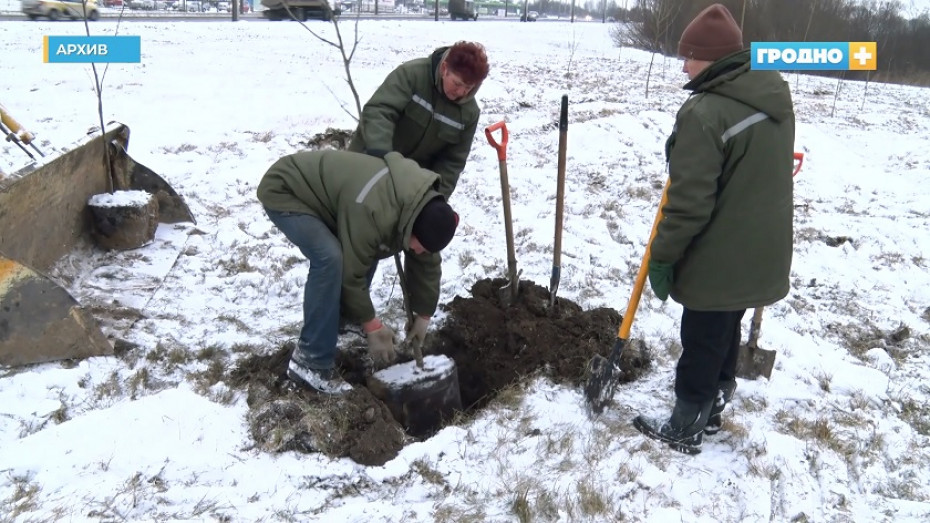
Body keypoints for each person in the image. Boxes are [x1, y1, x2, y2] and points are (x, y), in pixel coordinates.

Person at [632, 3, 795, 454]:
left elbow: (688, 203)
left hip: (721, 248)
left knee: (702, 333)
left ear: (713, 58)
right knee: (727, 324)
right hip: (761, 247)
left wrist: (663, 256)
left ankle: (686, 424)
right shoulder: (772, 95)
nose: (683, 65)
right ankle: (715, 406)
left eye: (689, 55)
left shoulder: (705, 113)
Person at [257, 150, 459, 395]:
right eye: (419, 245)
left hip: (339, 203)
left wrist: (424, 314)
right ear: (413, 228)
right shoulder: (373, 211)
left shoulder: (423, 208)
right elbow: (350, 274)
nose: (419, 251)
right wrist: (372, 324)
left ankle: (345, 319)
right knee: (331, 259)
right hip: (289, 189)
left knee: (366, 247)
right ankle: (311, 362)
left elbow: (426, 259)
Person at [348, 40, 490, 201]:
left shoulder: (469, 114)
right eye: (457, 83)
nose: (461, 92)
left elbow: (452, 162)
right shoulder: (412, 75)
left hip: (407, 186)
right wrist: (383, 158)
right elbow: (379, 111)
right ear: (444, 69)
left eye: (468, 87)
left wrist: (434, 198)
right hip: (369, 162)